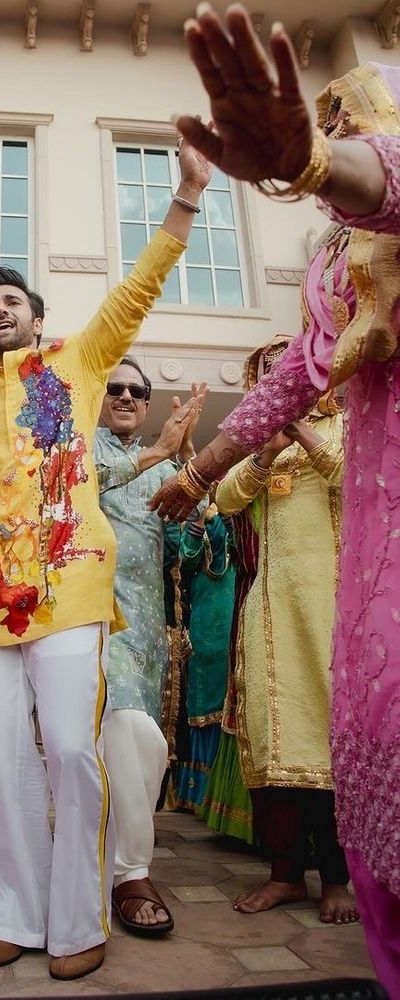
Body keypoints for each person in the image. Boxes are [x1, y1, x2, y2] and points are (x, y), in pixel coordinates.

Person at [0, 139, 211, 980]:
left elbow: (138, 289)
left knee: (76, 753)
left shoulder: (74, 365)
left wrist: (183, 200)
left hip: (74, 585)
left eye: (11, 300)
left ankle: (80, 919)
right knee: (2, 756)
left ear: (36, 317)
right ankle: (4, 912)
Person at [149, 8, 400, 989]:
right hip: (368, 554)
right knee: (369, 729)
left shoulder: (370, 200)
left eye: (346, 117)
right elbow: (298, 370)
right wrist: (203, 470)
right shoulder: (334, 266)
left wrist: (310, 163)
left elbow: (386, 184)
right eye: (323, 120)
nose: (336, 133)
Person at [212, 334, 353, 922]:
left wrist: (301, 433)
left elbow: (354, 480)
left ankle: (337, 879)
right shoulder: (259, 450)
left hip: (334, 608)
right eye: (269, 378)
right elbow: (224, 497)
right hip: (269, 614)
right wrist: (267, 450)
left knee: (330, 738)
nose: (281, 386)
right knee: (274, 739)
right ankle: (285, 875)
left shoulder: (349, 427)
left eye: (287, 374)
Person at [94, 358, 206, 937]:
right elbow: (83, 485)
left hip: (148, 630)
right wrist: (164, 450)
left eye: (139, 391)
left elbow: (180, 552)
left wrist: (193, 482)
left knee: (148, 750)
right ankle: (130, 873)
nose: (127, 397)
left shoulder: (160, 463)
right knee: (128, 731)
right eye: (115, 388)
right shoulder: (78, 449)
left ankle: (110, 861)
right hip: (94, 623)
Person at [172, 503, 235, 812]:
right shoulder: (197, 510)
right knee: (204, 692)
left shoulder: (243, 509)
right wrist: (199, 520)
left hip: (237, 607)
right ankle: (199, 793)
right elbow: (182, 563)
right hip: (206, 615)